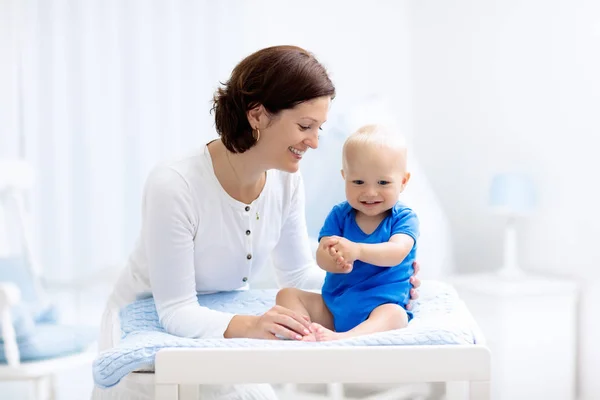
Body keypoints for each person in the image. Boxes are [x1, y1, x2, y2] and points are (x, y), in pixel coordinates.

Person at [92, 46, 421, 400]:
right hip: (149, 341)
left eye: (319, 127)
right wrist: (252, 324)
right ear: (258, 115)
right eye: (305, 126)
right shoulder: (175, 185)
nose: (314, 142)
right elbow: (176, 310)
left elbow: (297, 275)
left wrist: (370, 284)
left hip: (222, 329)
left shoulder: (286, 179)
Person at [276, 124, 417, 342]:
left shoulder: (403, 218)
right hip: (335, 305)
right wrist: (333, 261)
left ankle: (346, 338)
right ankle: (306, 333)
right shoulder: (340, 215)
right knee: (286, 295)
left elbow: (397, 251)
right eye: (358, 182)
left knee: (396, 316)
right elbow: (322, 255)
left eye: (383, 182)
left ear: (403, 181)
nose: (370, 192)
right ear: (344, 177)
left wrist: (357, 250)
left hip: (378, 307)